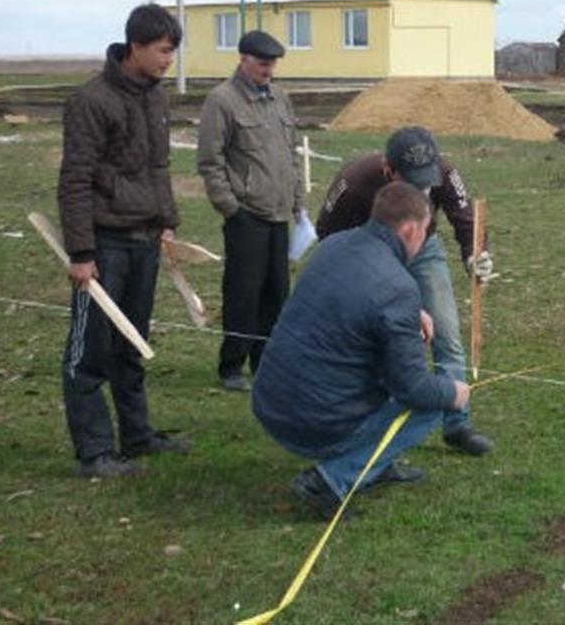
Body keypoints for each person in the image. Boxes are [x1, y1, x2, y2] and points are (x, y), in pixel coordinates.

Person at [252, 182, 472, 519]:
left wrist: (410, 314)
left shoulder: (335, 245)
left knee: (385, 358)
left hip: (269, 402)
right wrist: (453, 393)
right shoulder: (398, 288)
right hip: (310, 423)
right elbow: (413, 388)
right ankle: (329, 479)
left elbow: (354, 301)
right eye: (426, 230)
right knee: (430, 403)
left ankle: (375, 465)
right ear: (412, 229)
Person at [57, 3, 191, 478]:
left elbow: (158, 166)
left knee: (131, 343)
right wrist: (81, 253)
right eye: (162, 51)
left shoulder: (156, 97)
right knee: (89, 351)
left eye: (172, 51)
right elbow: (75, 179)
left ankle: (136, 436)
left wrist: (167, 220)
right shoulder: (91, 101)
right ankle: (94, 451)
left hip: (145, 239)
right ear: (135, 46)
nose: (168, 60)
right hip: (104, 244)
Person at [316, 126, 494, 456]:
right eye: (410, 182)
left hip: (423, 249)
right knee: (378, 340)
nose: (421, 190)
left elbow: (465, 217)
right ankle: (372, 425)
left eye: (425, 183)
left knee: (447, 332)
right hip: (370, 255)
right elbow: (327, 233)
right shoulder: (354, 183)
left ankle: (457, 423)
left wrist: (475, 254)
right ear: (389, 169)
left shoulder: (444, 171)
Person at [197, 30, 304, 391]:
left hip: (278, 216)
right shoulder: (222, 101)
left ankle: (266, 364)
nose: (268, 71)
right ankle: (232, 366)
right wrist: (230, 208)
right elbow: (210, 161)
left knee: (276, 294)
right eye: (262, 63)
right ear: (243, 60)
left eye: (272, 64)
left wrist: (297, 204)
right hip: (246, 216)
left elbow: (290, 156)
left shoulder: (280, 99)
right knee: (243, 293)